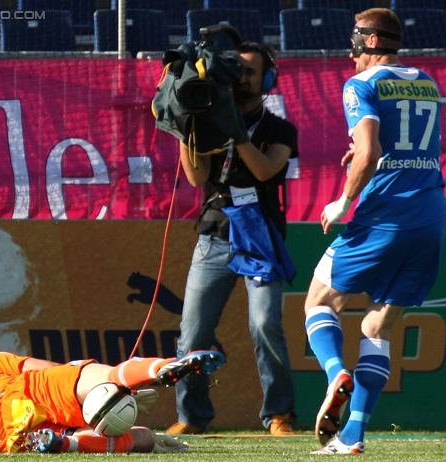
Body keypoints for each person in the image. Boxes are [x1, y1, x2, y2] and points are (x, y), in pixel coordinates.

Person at [305, 8, 446, 455]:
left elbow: (369, 152)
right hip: (432, 215)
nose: (349, 53)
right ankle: (353, 434)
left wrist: (343, 202)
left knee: (319, 301)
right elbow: (401, 147)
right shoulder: (427, 81)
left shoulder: (361, 85)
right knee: (377, 326)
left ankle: (335, 375)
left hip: (386, 215)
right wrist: (369, 156)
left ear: (369, 42)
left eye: (353, 41)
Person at [167, 42, 299, 436]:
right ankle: (192, 417)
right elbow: (195, 176)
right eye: (234, 72)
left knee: (264, 324)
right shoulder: (208, 122)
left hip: (260, 236)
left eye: (249, 73)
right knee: (192, 333)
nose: (240, 81)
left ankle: (279, 415)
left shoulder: (280, 129)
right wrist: (185, 124)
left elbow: (263, 171)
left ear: (266, 79)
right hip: (215, 234)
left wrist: (235, 130)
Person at [0, 342, 225, 454]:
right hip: (35, 395)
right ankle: (160, 367)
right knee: (109, 375)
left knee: (144, 437)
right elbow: (47, 369)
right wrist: (86, 374)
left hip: (20, 440)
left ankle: (70, 444)